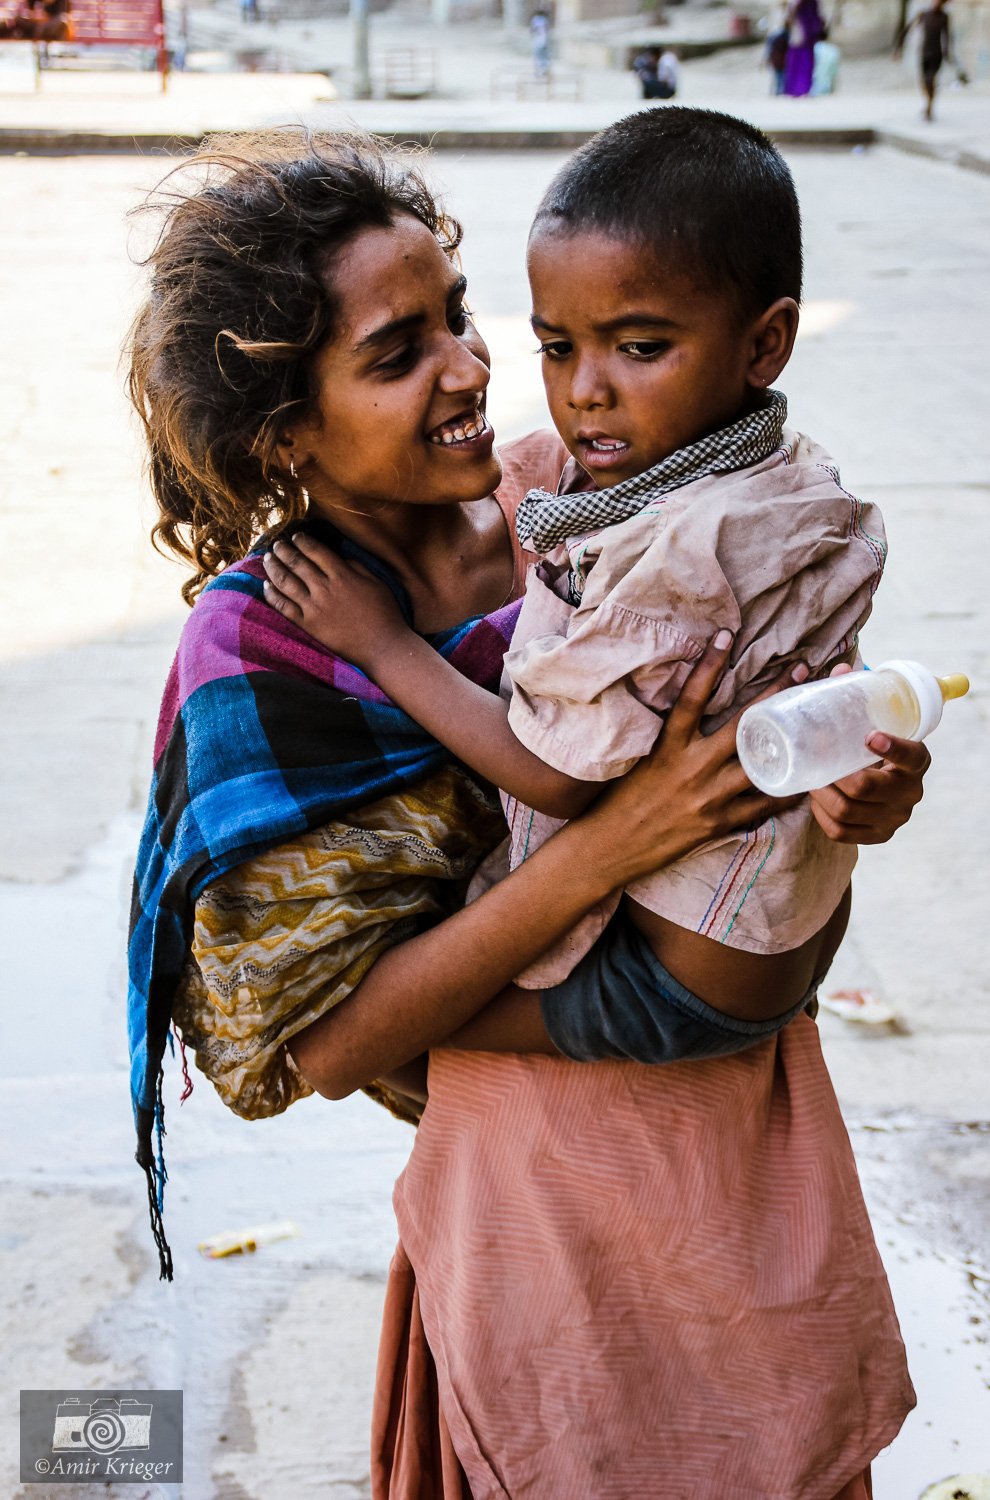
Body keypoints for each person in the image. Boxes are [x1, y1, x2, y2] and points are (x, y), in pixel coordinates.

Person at [127, 130, 928, 1496]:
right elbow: (316, 1044)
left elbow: (762, 774)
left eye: (461, 317)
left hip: (739, 1141)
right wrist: (613, 846)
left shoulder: (592, 499)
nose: (475, 372)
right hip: (534, 1191)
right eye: (398, 354)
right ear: (284, 434)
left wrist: (855, 786)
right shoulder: (271, 656)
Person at [265, 108, 884, 1053]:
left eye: (638, 349)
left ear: (765, 345)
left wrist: (385, 646)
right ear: (281, 432)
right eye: (556, 347)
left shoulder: (683, 540)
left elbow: (556, 777)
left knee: (376, 1034)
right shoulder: (761, 473)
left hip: (686, 976)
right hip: (760, 935)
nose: (583, 389)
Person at [897, 0, 951, 120]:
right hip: (924, 52)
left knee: (930, 79)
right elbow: (907, 30)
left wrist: (947, 54)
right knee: (924, 81)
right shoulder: (923, 14)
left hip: (937, 54)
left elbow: (946, 36)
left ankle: (929, 107)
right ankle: (928, 104)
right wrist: (899, 48)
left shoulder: (944, 17)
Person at [783, 0, 827, 95]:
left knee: (804, 63)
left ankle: (802, 89)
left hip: (806, 35)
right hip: (801, 35)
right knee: (799, 62)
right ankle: (798, 89)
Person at [529, 7, 550, 80]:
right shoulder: (544, 19)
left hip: (538, 41)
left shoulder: (536, 19)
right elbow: (547, 29)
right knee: (544, 57)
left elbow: (532, 29)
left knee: (538, 57)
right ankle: (544, 71)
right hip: (544, 40)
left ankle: (539, 72)